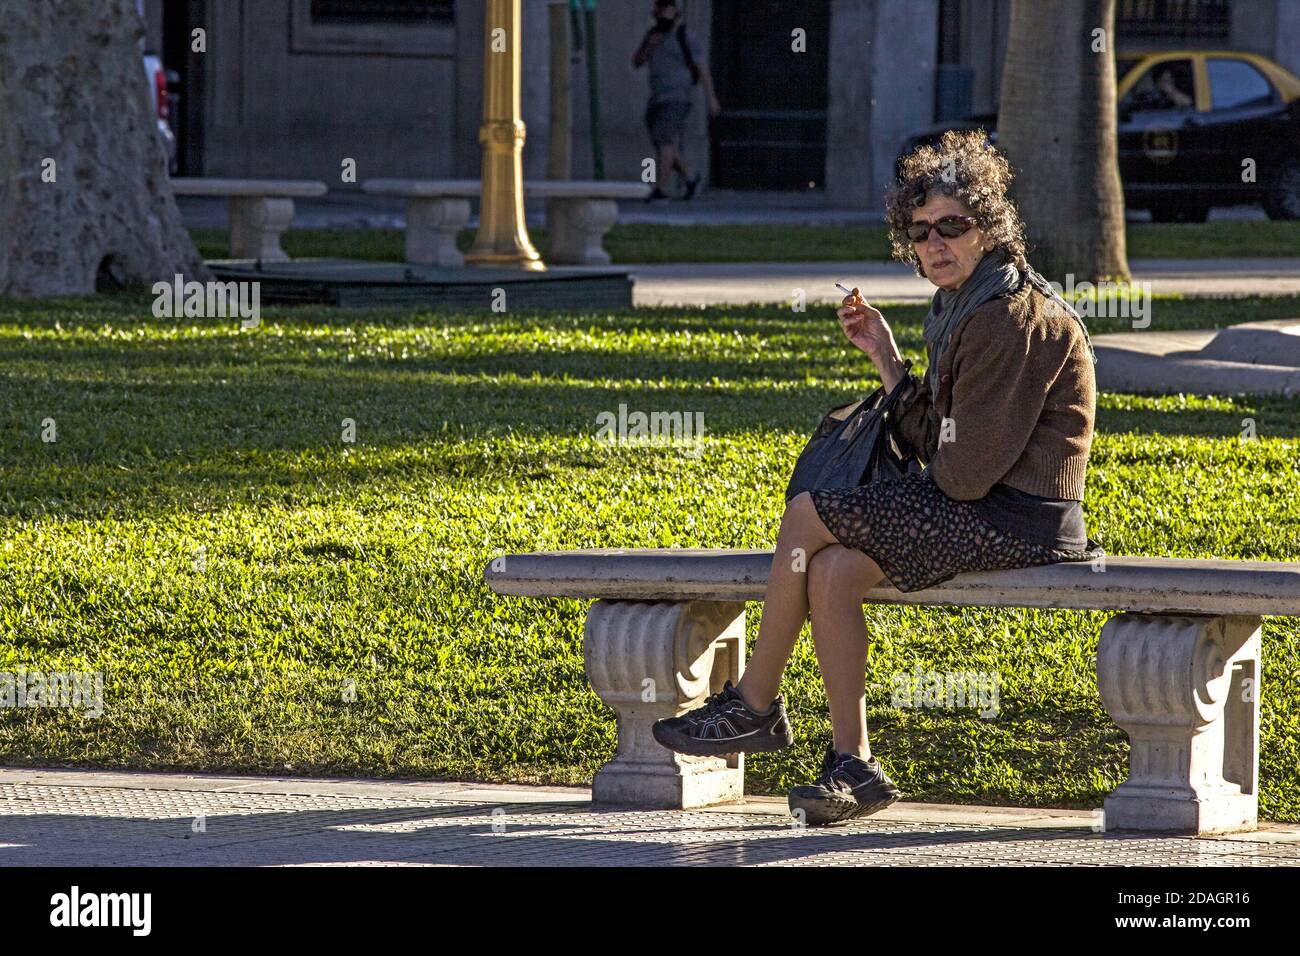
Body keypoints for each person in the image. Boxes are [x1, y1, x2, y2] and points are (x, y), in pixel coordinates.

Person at [651, 129, 1106, 826]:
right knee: (831, 571)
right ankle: (853, 764)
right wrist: (888, 361)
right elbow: (945, 445)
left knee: (807, 514)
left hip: (1020, 518)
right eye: (920, 231)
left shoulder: (1012, 319)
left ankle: (756, 704)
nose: (935, 243)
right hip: (982, 503)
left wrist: (900, 477)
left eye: (953, 225)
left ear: (989, 226)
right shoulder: (962, 306)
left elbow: (959, 475)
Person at [631, 0, 721, 201]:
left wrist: (711, 98)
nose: (663, 16)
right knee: (663, 142)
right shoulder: (652, 35)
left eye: (668, 12)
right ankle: (690, 176)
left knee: (664, 139)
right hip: (657, 97)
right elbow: (636, 62)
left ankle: (661, 189)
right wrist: (648, 48)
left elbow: (702, 67)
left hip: (677, 96)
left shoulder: (684, 36)